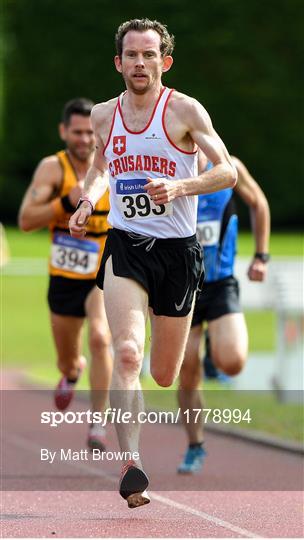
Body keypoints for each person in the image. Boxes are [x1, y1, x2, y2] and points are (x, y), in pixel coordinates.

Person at [69, 18, 237, 508]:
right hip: (126, 245)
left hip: (179, 254)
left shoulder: (184, 110)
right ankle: (132, 464)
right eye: (131, 56)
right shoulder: (104, 114)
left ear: (164, 62)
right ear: (118, 63)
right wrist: (86, 202)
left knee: (164, 373)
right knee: (126, 353)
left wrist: (181, 186)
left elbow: (226, 169)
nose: (139, 64)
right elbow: (101, 168)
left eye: (149, 55)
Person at [18, 98, 112, 451]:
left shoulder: (111, 165)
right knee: (67, 357)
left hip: (103, 268)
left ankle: (98, 421)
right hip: (64, 274)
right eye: (77, 132)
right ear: (63, 132)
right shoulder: (52, 169)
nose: (85, 139)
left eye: (90, 132)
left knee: (102, 337)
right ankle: (72, 373)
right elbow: (26, 220)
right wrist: (64, 203)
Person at [177, 154, 270, 473]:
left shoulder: (229, 166)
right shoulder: (169, 166)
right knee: (185, 371)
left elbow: (258, 202)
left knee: (231, 360)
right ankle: (195, 445)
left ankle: (211, 358)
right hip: (181, 285)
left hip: (220, 283)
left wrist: (261, 255)